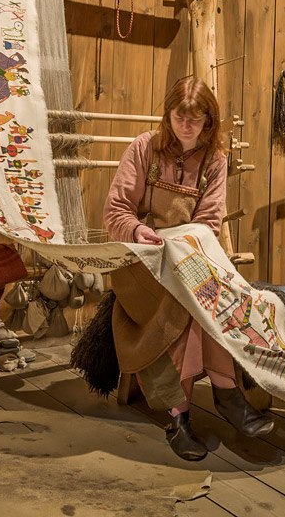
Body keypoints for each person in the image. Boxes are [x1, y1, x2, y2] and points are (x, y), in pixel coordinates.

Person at [103, 77, 273, 461]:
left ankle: (196, 407)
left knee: (202, 294)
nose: (186, 127)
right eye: (180, 117)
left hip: (185, 260)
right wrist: (139, 230)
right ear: (168, 115)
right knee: (188, 298)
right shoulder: (144, 148)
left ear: (209, 123)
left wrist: (182, 247)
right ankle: (216, 397)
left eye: (196, 121)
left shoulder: (215, 161)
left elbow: (209, 224)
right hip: (140, 264)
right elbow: (115, 212)